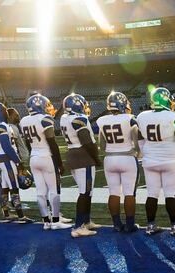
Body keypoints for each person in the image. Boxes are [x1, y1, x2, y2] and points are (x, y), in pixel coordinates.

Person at [136, 87, 175, 236]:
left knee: (152, 194)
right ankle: (174, 225)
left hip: (149, 161)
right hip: (170, 161)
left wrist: (145, 153)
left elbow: (140, 139)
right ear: (166, 100)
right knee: (170, 194)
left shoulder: (141, 116)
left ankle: (151, 225)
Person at [20, 94, 70, 231]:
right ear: (40, 105)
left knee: (40, 192)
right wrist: (59, 163)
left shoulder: (24, 120)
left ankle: (46, 222)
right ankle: (55, 221)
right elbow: (52, 142)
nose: (49, 108)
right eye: (47, 105)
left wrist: (33, 153)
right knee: (54, 190)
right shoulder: (45, 119)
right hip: (46, 157)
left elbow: (27, 142)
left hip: (34, 157)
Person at [96, 91, 140, 233]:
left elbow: (101, 145)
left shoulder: (102, 120)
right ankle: (129, 225)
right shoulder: (130, 118)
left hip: (109, 159)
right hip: (127, 158)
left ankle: (116, 224)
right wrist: (137, 152)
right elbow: (136, 140)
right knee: (129, 193)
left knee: (113, 192)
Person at [61, 93, 100, 237]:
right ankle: (78, 226)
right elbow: (87, 141)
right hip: (84, 157)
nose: (86, 107)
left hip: (72, 155)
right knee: (84, 192)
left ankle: (86, 221)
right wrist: (96, 158)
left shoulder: (64, 118)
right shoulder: (79, 119)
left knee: (86, 192)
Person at [0, 102, 32, 223]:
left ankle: (6, 213)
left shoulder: (0, 125)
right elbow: (7, 146)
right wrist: (18, 162)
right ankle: (21, 216)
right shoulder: (0, 126)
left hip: (4, 158)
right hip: (7, 159)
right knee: (14, 187)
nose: (6, 112)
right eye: (4, 110)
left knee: (5, 187)